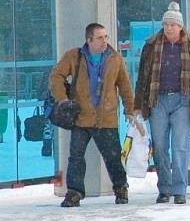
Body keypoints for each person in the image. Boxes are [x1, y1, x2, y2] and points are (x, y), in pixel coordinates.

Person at [134, 2, 190, 205]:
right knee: (159, 147)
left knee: (179, 146)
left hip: (182, 100)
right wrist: (138, 105)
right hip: (157, 100)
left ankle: (180, 189)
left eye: (172, 24)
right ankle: (164, 188)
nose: (168, 28)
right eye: (166, 24)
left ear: (180, 27)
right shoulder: (151, 46)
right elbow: (142, 76)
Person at [51, 23, 134, 208]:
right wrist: (62, 99)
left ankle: (121, 188)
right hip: (81, 117)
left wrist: (130, 110)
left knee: (113, 157)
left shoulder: (115, 59)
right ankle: (74, 192)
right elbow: (57, 75)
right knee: (76, 156)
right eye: (100, 37)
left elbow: (125, 87)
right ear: (89, 40)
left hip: (106, 118)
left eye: (106, 37)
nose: (105, 41)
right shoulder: (75, 56)